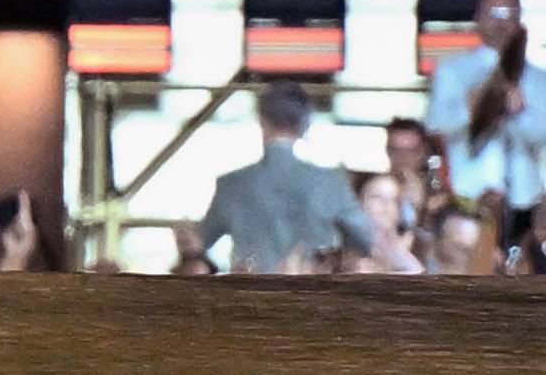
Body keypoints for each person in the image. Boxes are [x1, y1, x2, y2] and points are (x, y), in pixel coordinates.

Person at [175, 82, 371, 273]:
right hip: (312, 293)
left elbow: (199, 243)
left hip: (250, 293)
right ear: (305, 124)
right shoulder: (331, 182)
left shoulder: (231, 184)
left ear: (261, 120)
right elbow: (365, 238)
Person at [426, 0, 546, 262]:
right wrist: (471, 109)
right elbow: (435, 126)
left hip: (522, 200)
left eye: (509, 13)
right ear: (479, 19)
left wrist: (519, 114)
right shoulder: (453, 72)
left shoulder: (539, 80)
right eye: (494, 12)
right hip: (466, 200)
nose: (502, 21)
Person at [349, 172, 424, 274]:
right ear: (359, 201)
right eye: (377, 197)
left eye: (394, 200)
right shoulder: (344, 244)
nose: (386, 205)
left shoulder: (400, 251)